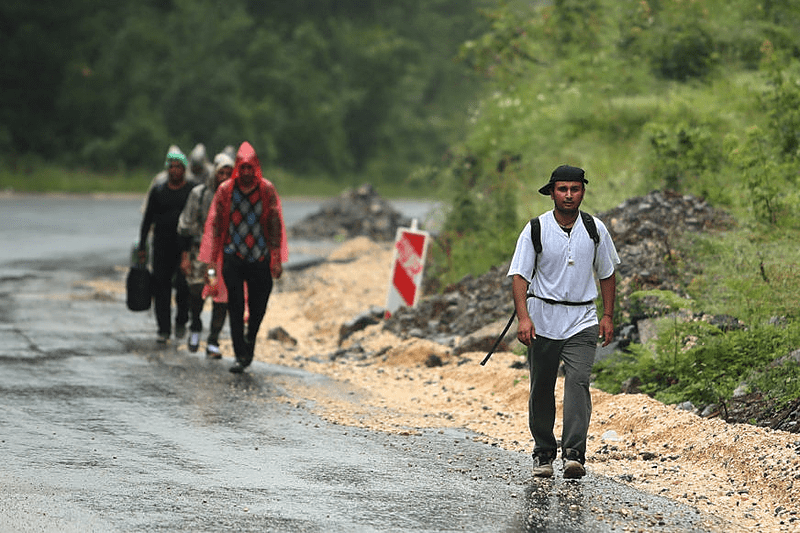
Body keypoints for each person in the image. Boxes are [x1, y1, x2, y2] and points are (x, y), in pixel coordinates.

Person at [507, 165, 620, 479]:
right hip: (543, 319)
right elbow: (519, 276)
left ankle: (574, 454)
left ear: (583, 191)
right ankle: (543, 452)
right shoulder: (536, 230)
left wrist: (608, 316)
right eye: (562, 189)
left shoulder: (595, 229)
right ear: (552, 192)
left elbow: (607, 274)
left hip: (583, 318)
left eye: (575, 189)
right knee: (541, 386)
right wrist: (524, 318)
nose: (569, 195)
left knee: (578, 382)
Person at [199, 141, 288, 373]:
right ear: (238, 167)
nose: (247, 172)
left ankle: (251, 337)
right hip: (233, 257)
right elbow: (217, 226)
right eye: (243, 167)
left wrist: (276, 257)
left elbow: (275, 223)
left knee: (258, 307)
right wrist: (212, 259)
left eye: (251, 167)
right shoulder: (225, 190)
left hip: (260, 257)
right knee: (235, 306)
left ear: (256, 167)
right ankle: (241, 355)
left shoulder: (266, 189)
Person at [177, 153, 235, 355]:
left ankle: (213, 339)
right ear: (214, 174)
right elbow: (186, 226)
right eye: (222, 173)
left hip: (225, 257)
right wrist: (184, 256)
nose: (225, 177)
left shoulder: (236, 197)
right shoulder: (199, 194)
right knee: (197, 291)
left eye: (229, 173)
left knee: (221, 297)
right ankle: (195, 325)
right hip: (200, 255)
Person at [138, 149, 196, 343]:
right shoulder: (158, 191)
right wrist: (142, 245)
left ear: (184, 169)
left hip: (185, 247)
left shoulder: (191, 191)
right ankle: (163, 329)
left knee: (183, 286)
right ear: (167, 169)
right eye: (171, 166)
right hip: (161, 245)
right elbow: (147, 219)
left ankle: (181, 319)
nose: (175, 170)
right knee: (160, 287)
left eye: (179, 166)